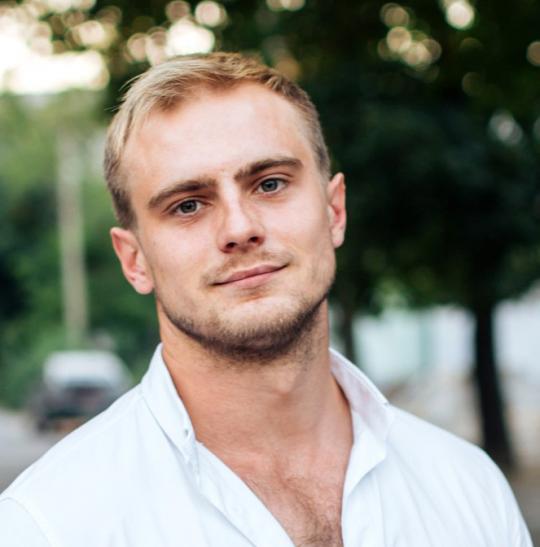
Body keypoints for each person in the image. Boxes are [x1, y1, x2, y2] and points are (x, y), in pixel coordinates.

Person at [0, 52, 532, 547]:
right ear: (134, 260)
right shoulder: (49, 526)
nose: (239, 228)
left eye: (270, 183)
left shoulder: (469, 488)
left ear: (334, 211)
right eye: (188, 205)